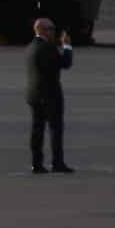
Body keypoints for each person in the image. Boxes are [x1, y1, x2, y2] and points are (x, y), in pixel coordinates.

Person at [26, 16, 75, 174]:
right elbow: (65, 63)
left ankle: (36, 163)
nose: (53, 32)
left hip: (34, 94)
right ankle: (57, 163)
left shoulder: (31, 46)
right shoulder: (47, 47)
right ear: (40, 29)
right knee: (55, 129)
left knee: (37, 130)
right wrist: (67, 46)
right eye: (50, 29)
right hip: (50, 95)